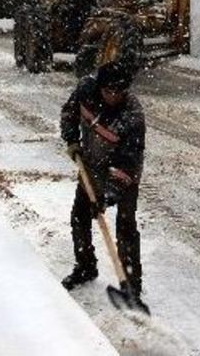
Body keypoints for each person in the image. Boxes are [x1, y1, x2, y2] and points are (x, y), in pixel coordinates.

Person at [59, 61, 146, 296]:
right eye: (109, 91)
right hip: (91, 163)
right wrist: (72, 141)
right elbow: (69, 113)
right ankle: (85, 266)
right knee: (80, 216)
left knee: (125, 227)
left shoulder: (132, 115)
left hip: (123, 172)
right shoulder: (86, 91)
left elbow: (128, 162)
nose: (113, 96)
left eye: (119, 92)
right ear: (100, 87)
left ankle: (131, 285)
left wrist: (108, 196)